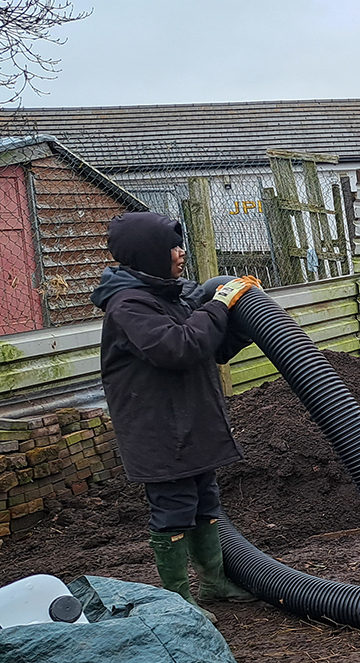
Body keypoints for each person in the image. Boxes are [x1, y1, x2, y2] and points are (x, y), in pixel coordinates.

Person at [91, 211, 261, 622]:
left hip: (190, 421)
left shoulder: (171, 294)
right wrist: (218, 304)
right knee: (173, 507)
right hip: (158, 429)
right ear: (150, 253)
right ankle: (178, 599)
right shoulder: (128, 304)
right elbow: (177, 348)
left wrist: (241, 318)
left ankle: (214, 582)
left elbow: (210, 348)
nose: (181, 252)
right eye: (173, 246)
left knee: (205, 501)